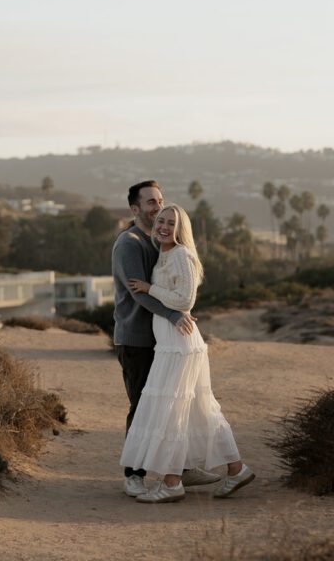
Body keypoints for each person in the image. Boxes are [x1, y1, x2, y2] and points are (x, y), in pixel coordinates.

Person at [120, 202, 255, 503]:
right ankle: (237, 469)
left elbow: (185, 300)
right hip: (171, 344)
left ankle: (171, 484)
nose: (164, 227)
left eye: (171, 223)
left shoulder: (182, 254)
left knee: (173, 413)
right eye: (161, 221)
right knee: (201, 410)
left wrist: (148, 288)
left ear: (182, 229)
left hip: (179, 346)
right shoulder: (164, 254)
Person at [112, 181, 221, 497]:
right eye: (150, 203)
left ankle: (180, 470)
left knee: (171, 406)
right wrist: (174, 315)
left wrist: (177, 311)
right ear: (135, 209)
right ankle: (134, 474)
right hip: (135, 338)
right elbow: (138, 291)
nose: (157, 207)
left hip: (164, 340)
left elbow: (176, 286)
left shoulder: (159, 240)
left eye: (159, 200)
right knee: (142, 405)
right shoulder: (129, 244)